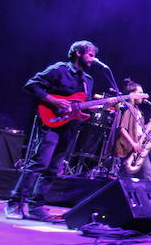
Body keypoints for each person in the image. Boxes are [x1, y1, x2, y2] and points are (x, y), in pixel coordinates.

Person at [7, 40, 98, 221]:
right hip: (50, 122)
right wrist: (53, 100)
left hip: (69, 127)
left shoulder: (88, 80)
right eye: (90, 55)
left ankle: (36, 206)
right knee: (40, 163)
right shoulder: (59, 69)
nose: (93, 59)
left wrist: (90, 110)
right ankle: (15, 203)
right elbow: (31, 85)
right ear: (78, 53)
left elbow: (79, 105)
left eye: (94, 56)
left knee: (53, 168)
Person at [114, 79, 151, 182]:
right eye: (140, 93)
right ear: (132, 94)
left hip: (137, 146)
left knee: (131, 176)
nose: (143, 95)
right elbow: (122, 129)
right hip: (130, 147)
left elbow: (139, 129)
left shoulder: (137, 110)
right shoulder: (129, 108)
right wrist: (133, 144)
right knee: (146, 175)